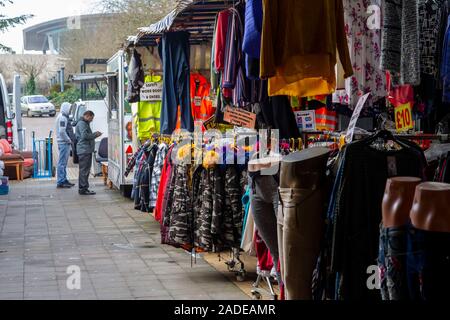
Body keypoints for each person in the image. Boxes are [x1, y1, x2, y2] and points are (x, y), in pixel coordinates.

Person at [75, 110, 102, 195]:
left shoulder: (83, 123)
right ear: (87, 116)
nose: (92, 120)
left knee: (84, 170)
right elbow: (84, 136)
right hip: (84, 150)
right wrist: (95, 134)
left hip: (85, 150)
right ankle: (83, 189)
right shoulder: (82, 123)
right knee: (84, 170)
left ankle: (83, 188)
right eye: (91, 118)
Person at [55, 102, 76, 188]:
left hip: (63, 142)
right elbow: (62, 131)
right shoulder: (63, 118)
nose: (70, 110)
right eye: (69, 109)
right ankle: (61, 181)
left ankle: (63, 179)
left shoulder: (61, 116)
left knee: (63, 162)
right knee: (62, 163)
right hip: (64, 143)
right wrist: (69, 140)